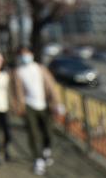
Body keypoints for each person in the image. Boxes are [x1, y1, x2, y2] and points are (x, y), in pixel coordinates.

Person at [12, 46, 62, 176]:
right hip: (29, 106)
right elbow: (16, 92)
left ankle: (46, 150)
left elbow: (51, 86)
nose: (25, 56)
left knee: (48, 132)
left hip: (44, 105)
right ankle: (38, 159)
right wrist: (17, 107)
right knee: (33, 133)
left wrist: (57, 103)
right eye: (22, 54)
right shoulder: (18, 72)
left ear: (32, 54)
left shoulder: (40, 69)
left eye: (26, 53)